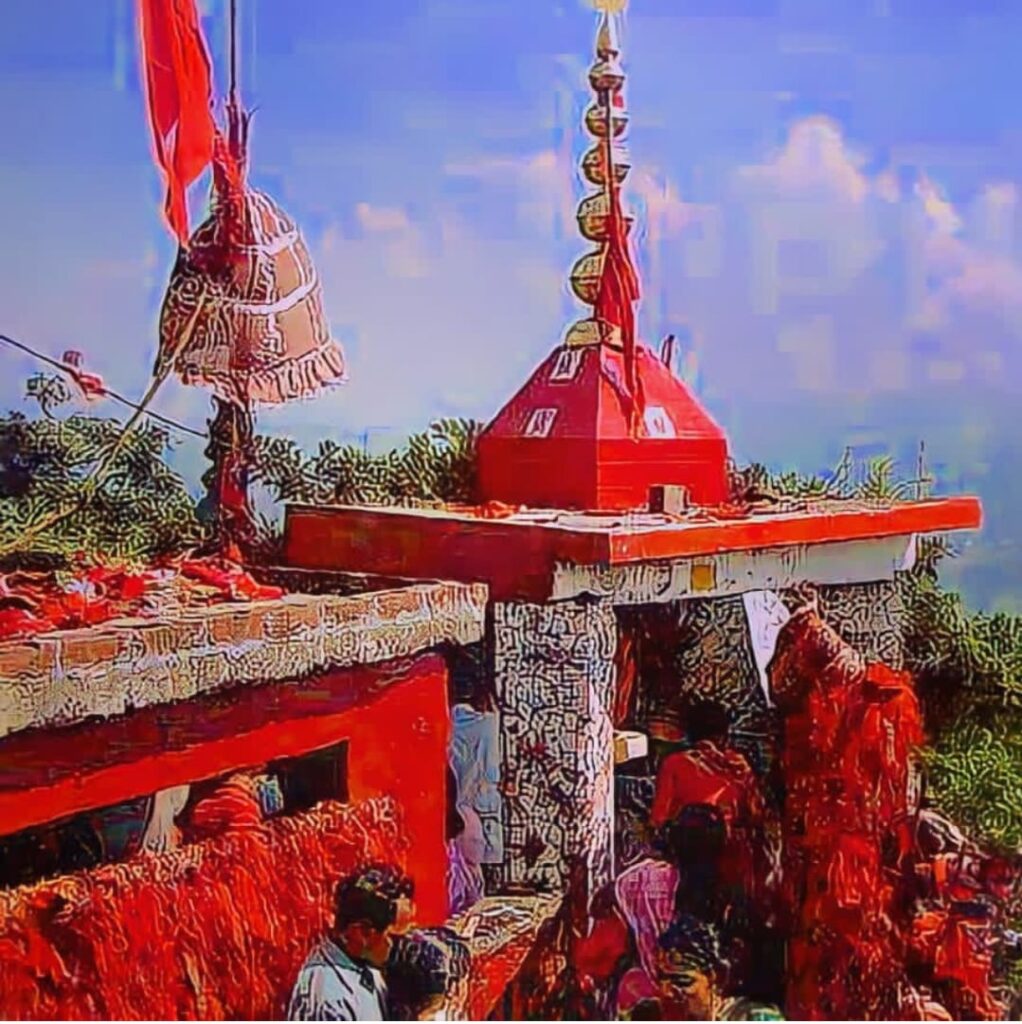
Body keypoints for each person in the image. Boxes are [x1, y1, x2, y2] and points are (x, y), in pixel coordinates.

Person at [287, 864, 414, 1021]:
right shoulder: (331, 1000)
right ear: (363, 932)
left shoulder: (362, 960)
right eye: (393, 937)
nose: (399, 946)